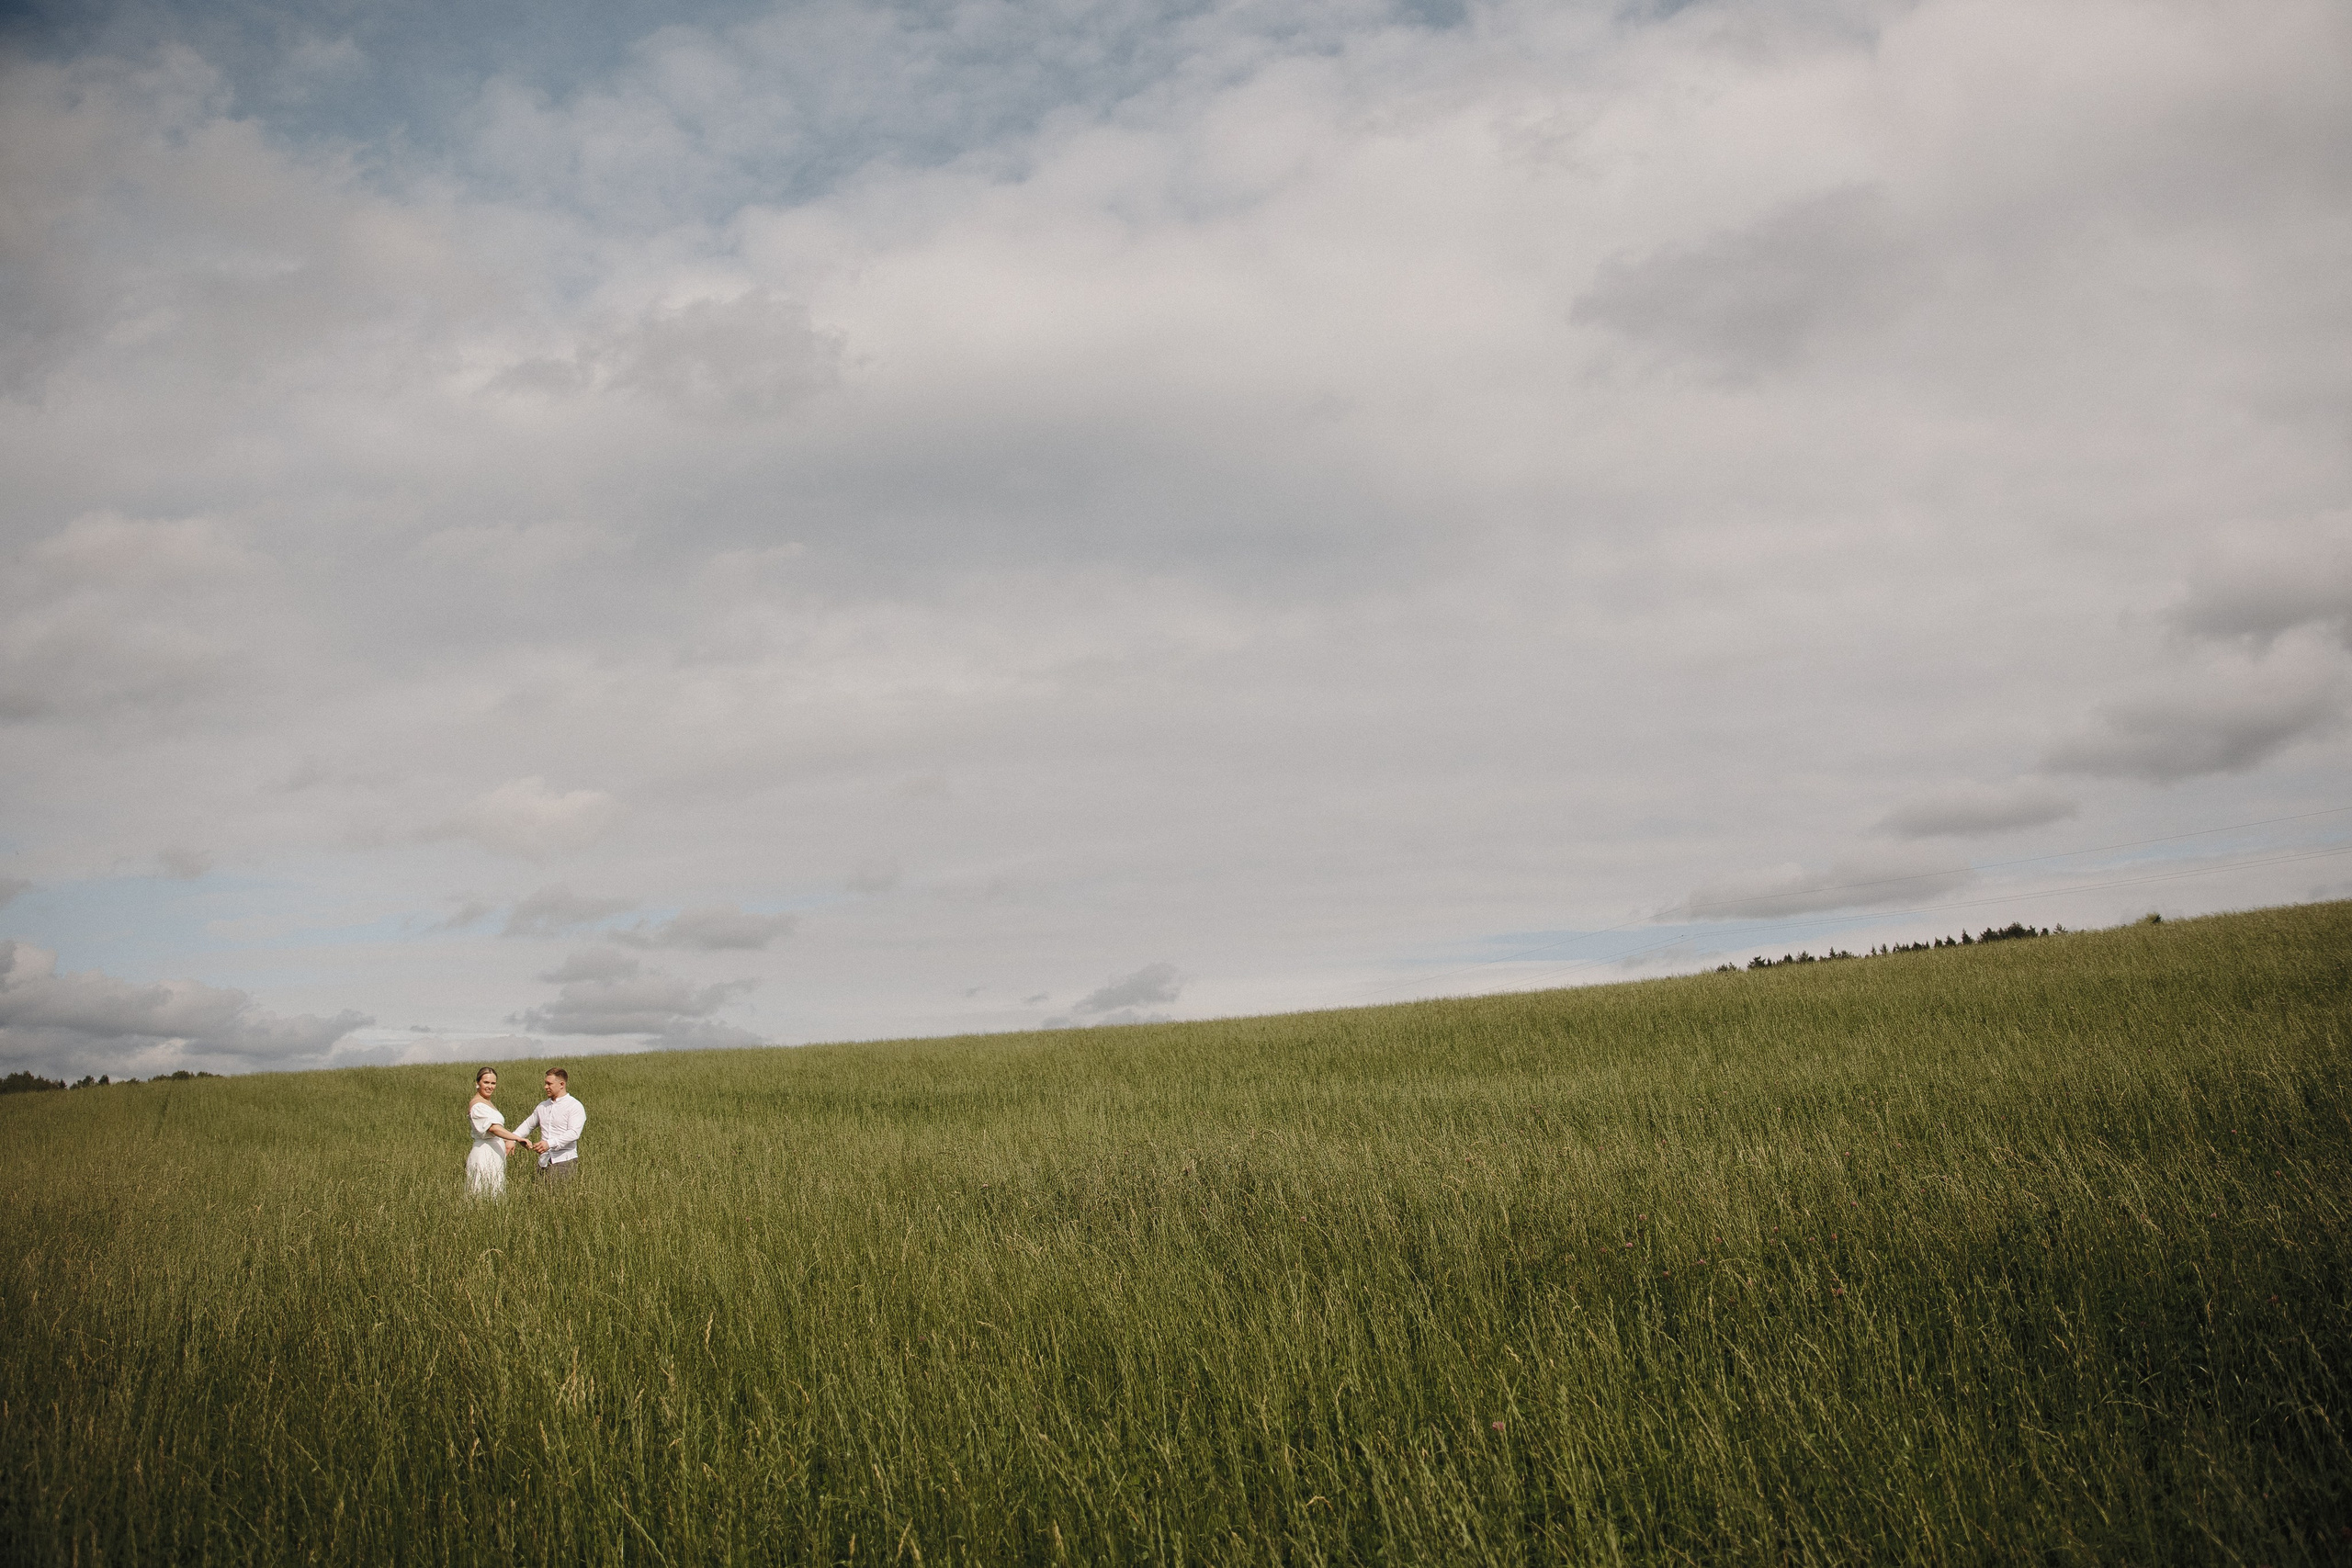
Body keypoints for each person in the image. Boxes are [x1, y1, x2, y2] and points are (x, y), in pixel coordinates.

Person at [513, 1067, 586, 1187]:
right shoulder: (542, 1106)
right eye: (545, 1083)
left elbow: (573, 1133)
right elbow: (528, 1125)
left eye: (549, 1084)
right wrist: (513, 1138)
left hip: (564, 1162)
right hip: (543, 1162)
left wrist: (549, 1144)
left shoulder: (574, 1106)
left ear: (562, 1084)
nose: (545, 1087)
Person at [464, 1067, 526, 1198]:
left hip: (495, 1154)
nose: (490, 1086)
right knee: (482, 1193)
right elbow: (493, 1128)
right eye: (486, 1082)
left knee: (495, 1193)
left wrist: (508, 1140)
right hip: (484, 1153)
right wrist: (517, 1138)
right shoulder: (477, 1106)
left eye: (493, 1083)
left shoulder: (488, 1102)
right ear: (477, 1083)